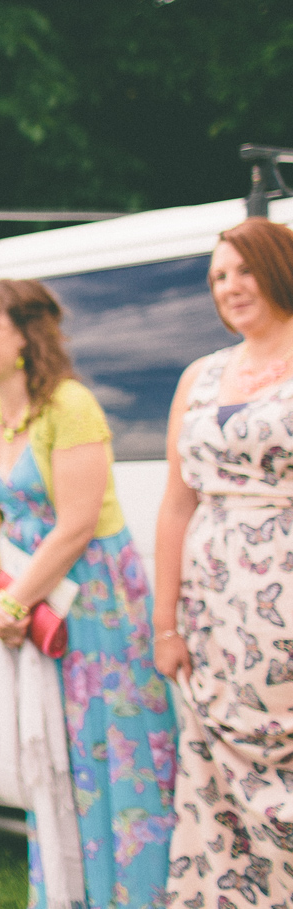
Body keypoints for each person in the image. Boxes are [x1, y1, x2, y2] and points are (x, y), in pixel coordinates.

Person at [0, 278, 175, 909]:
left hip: (98, 605)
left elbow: (78, 524)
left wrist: (16, 603)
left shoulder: (71, 405)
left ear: (24, 334)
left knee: (110, 754)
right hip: (36, 601)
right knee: (50, 756)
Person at [153, 217, 293, 909]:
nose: (229, 286)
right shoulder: (200, 376)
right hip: (209, 618)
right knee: (213, 780)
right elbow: (176, 505)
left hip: (285, 614)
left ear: (277, 265)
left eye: (241, 268)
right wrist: (165, 624)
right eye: (216, 277)